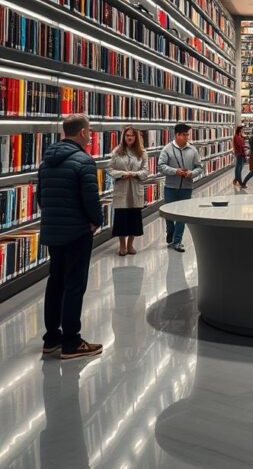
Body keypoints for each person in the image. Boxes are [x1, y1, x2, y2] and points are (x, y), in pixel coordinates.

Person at [37, 113, 103, 361]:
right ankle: (72, 342)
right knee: (75, 284)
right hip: (77, 232)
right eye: (90, 131)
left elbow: (41, 199)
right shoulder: (84, 161)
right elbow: (90, 199)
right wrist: (96, 221)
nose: (90, 135)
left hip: (53, 232)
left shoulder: (46, 162)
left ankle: (51, 338)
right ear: (83, 133)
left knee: (55, 282)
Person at [158, 123, 204, 252]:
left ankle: (177, 241)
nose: (187, 137)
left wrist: (191, 173)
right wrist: (175, 171)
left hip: (186, 188)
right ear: (177, 135)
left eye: (187, 134)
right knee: (169, 214)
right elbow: (161, 166)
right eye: (184, 134)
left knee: (182, 215)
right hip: (170, 187)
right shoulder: (167, 149)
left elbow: (199, 167)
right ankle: (170, 231)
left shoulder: (193, 150)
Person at [109, 125, 149, 256]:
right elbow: (110, 170)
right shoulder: (117, 151)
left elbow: (145, 171)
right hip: (122, 189)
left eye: (132, 135)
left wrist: (135, 174)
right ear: (124, 137)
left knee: (134, 219)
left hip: (135, 189)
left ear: (136, 137)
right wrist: (121, 173)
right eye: (127, 135)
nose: (129, 137)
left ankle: (130, 245)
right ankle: (122, 246)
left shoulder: (142, 153)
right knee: (121, 219)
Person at [232, 125, 246, 189]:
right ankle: (240, 182)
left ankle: (236, 179)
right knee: (238, 168)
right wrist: (244, 147)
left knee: (239, 167)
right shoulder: (236, 136)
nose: (243, 130)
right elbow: (240, 145)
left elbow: (242, 145)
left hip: (241, 153)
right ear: (240, 130)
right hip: (239, 154)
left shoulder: (239, 136)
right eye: (243, 129)